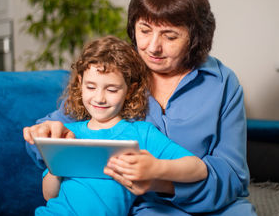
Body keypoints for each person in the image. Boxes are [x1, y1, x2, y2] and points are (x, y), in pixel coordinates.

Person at [24, 0, 257, 215]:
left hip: (208, 201)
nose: (153, 47)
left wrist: (159, 181)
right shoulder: (117, 72)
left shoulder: (222, 83)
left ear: (195, 38)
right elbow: (50, 140)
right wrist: (45, 134)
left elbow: (232, 175)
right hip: (144, 206)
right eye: (144, 30)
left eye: (170, 36)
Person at [35, 36, 208, 215]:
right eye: (91, 87)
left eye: (111, 89)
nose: (99, 98)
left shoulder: (141, 134)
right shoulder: (69, 134)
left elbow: (199, 169)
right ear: (80, 84)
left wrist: (156, 168)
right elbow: (49, 195)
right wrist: (56, 166)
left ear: (129, 90)